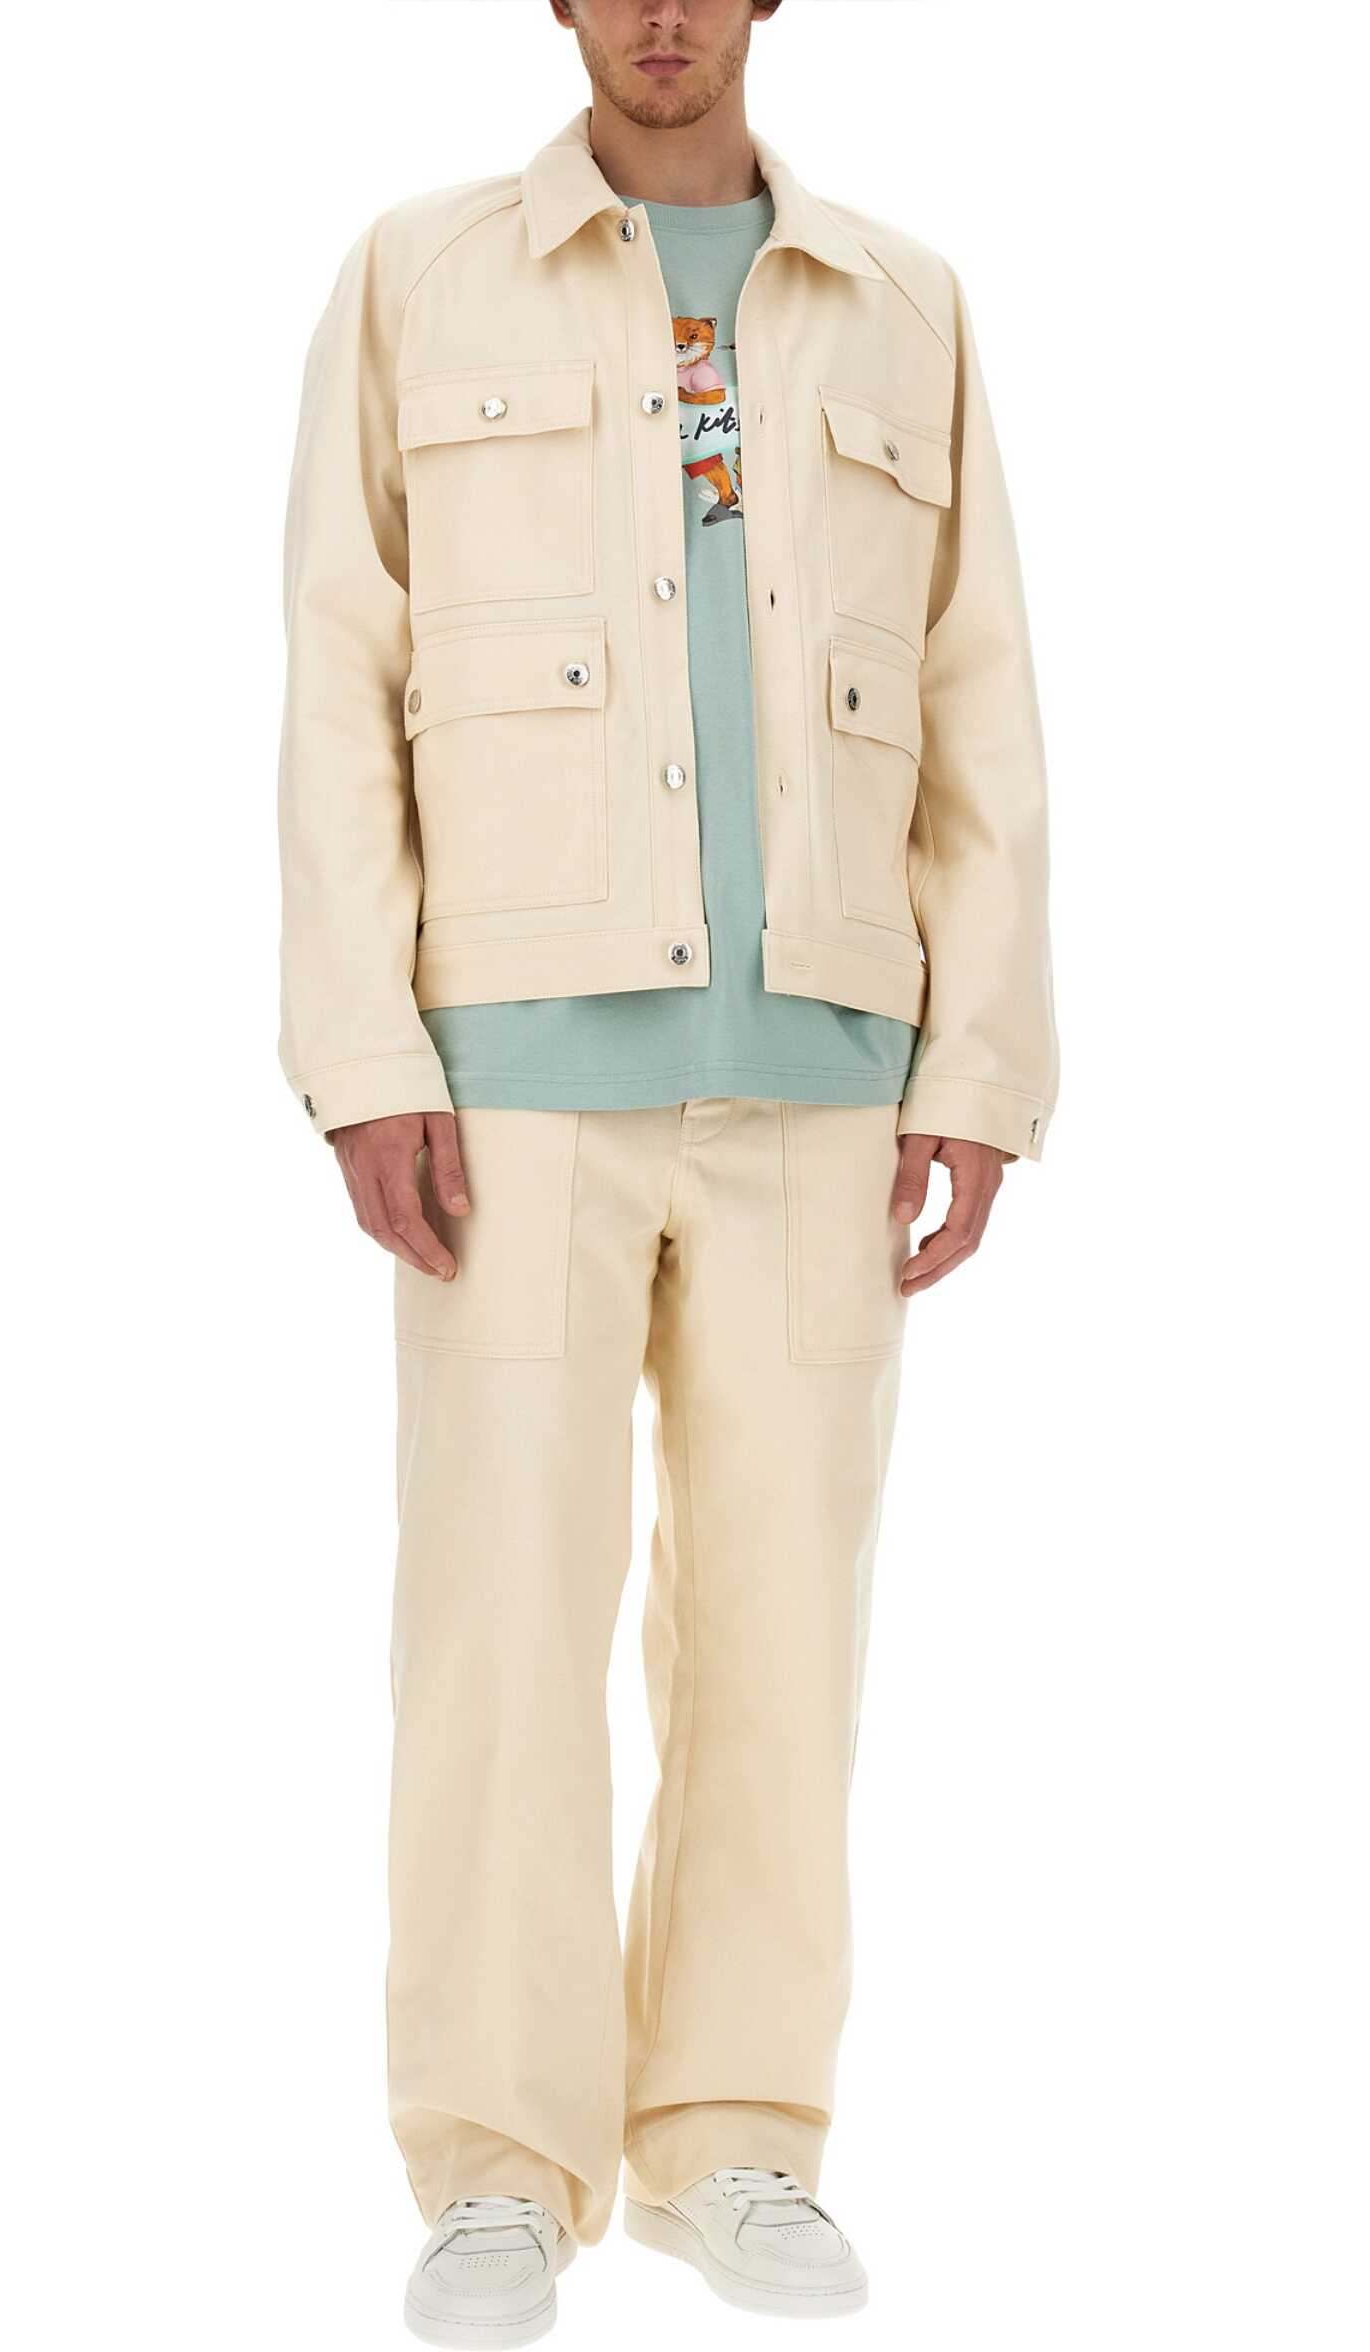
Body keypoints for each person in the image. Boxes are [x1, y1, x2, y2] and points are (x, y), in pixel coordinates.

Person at [276, 1, 1056, 2338]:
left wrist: (980, 1067)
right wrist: (361, 1049)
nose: (658, 15)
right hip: (512, 1069)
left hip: (825, 1064)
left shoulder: (904, 302)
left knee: (783, 1634)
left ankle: (734, 2139)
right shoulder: (420, 274)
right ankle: (499, 2167)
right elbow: (337, 673)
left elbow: (981, 697)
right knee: (498, 1625)